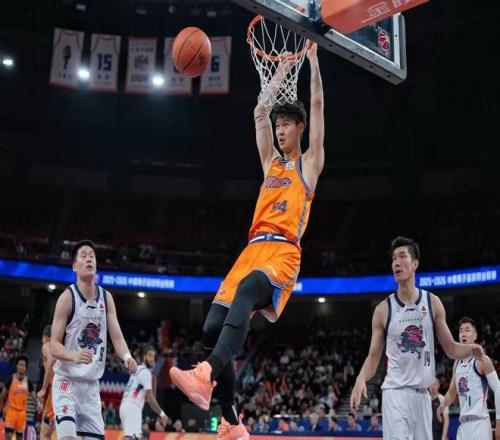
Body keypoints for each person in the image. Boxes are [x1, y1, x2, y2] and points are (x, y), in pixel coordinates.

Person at [170, 43, 325, 440]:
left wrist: (312, 62)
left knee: (250, 288)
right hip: (252, 249)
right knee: (211, 328)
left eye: (287, 125)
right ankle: (233, 422)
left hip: (283, 251)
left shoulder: (309, 165)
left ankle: (205, 373)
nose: (280, 130)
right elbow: (259, 111)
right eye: (278, 126)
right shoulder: (270, 163)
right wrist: (281, 70)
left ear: (300, 128)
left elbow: (318, 106)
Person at [350, 236, 485, 440]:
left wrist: (472, 348)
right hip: (395, 393)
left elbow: (450, 348)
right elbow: (373, 356)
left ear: (415, 264)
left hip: (423, 396)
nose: (396, 262)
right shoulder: (383, 310)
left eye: (402, 256)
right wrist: (361, 378)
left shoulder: (432, 302)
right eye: (393, 258)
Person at [50, 240, 137, 440]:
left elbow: (116, 336)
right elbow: (53, 345)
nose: (89, 258)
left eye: (92, 255)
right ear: (74, 266)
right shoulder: (67, 298)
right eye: (83, 255)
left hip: (91, 388)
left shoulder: (106, 298)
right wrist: (73, 355)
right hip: (67, 382)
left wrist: (127, 357)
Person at [437, 317, 500, 440]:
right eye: (461, 331)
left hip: (480, 424)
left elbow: (498, 388)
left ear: (475, 335)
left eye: (467, 330)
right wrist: (443, 405)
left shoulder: (482, 360)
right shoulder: (457, 362)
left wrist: (498, 421)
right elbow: (452, 392)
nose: (463, 334)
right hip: (463, 425)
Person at [120, 346, 168, 439]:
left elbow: (144, 396)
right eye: (150, 355)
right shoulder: (146, 372)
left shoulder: (137, 369)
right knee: (131, 438)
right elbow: (150, 398)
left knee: (133, 437)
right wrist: (162, 414)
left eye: (153, 356)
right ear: (144, 356)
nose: (152, 359)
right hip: (133, 407)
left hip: (125, 405)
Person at [0, 355, 37, 440]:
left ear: (26, 367)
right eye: (20, 364)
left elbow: (33, 395)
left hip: (22, 413)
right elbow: (2, 395)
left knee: (19, 438)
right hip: (11, 411)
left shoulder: (28, 381)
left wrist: (37, 405)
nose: (22, 367)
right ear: (17, 366)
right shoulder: (10, 378)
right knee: (8, 436)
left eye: (24, 365)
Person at [38, 325, 55, 440]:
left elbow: (51, 362)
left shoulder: (46, 345)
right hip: (66, 389)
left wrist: (43, 389)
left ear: (45, 337)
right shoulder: (61, 347)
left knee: (44, 435)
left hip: (56, 390)